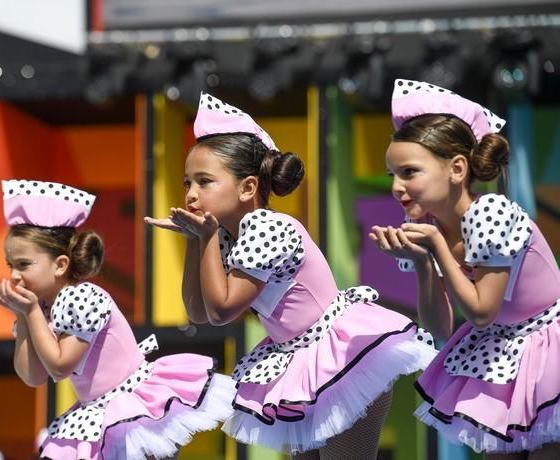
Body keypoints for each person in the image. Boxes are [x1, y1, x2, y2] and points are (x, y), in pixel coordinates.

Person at [145, 92, 437, 459]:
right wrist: (194, 242)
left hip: (342, 359)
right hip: (300, 365)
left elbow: (222, 310)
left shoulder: (267, 226)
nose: (190, 194)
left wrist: (202, 239)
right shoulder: (223, 237)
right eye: (188, 183)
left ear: (248, 187)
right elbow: (200, 314)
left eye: (204, 181)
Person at [369, 78, 560, 457]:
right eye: (393, 174)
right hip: (503, 353)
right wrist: (424, 263)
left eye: (409, 172)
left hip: (548, 347)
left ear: (456, 168)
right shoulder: (433, 231)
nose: (396, 187)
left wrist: (437, 248)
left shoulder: (491, 212)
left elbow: (481, 311)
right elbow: (440, 327)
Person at [0, 179, 236, 460]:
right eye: (11, 265)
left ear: (60, 265)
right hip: (96, 411)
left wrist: (30, 314)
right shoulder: (41, 308)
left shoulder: (81, 297)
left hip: (129, 407)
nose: (15, 275)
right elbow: (34, 376)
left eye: (23, 264)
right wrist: (23, 316)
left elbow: (58, 367)